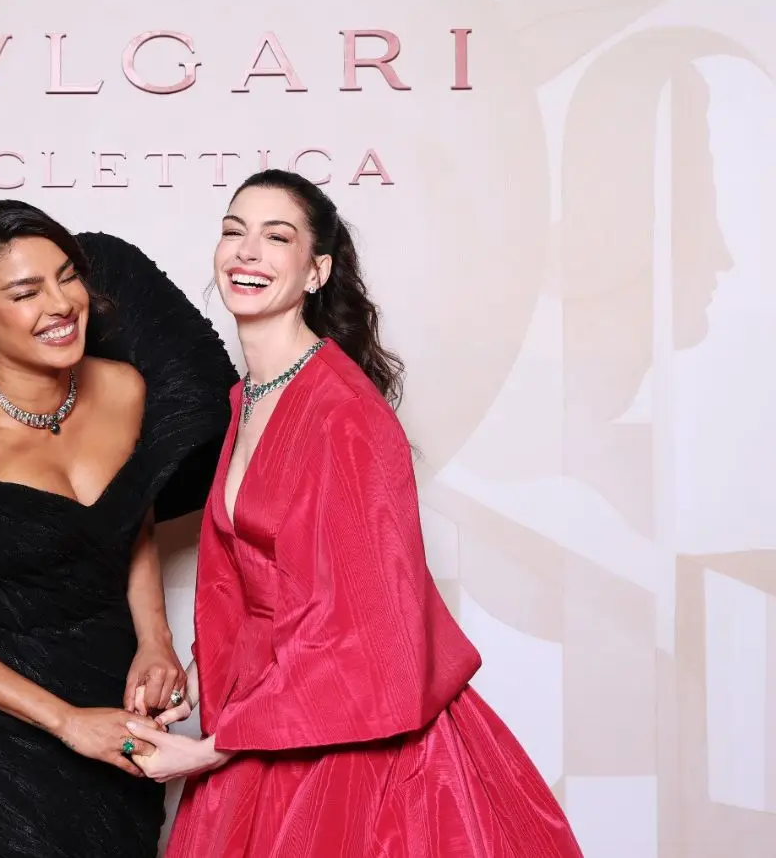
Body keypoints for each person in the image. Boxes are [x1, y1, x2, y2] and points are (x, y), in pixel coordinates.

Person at [128, 170, 585, 857]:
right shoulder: (250, 397)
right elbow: (254, 582)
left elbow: (371, 628)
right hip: (266, 712)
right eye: (233, 231)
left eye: (276, 237)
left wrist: (212, 749)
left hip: (348, 739)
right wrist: (198, 680)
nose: (247, 251)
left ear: (316, 272)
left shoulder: (345, 415)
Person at [0, 200, 237, 858]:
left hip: (115, 691)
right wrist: (67, 722)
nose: (60, 304)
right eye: (26, 292)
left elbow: (131, 519)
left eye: (67, 276)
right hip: (0, 722)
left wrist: (155, 641)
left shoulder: (125, 390)